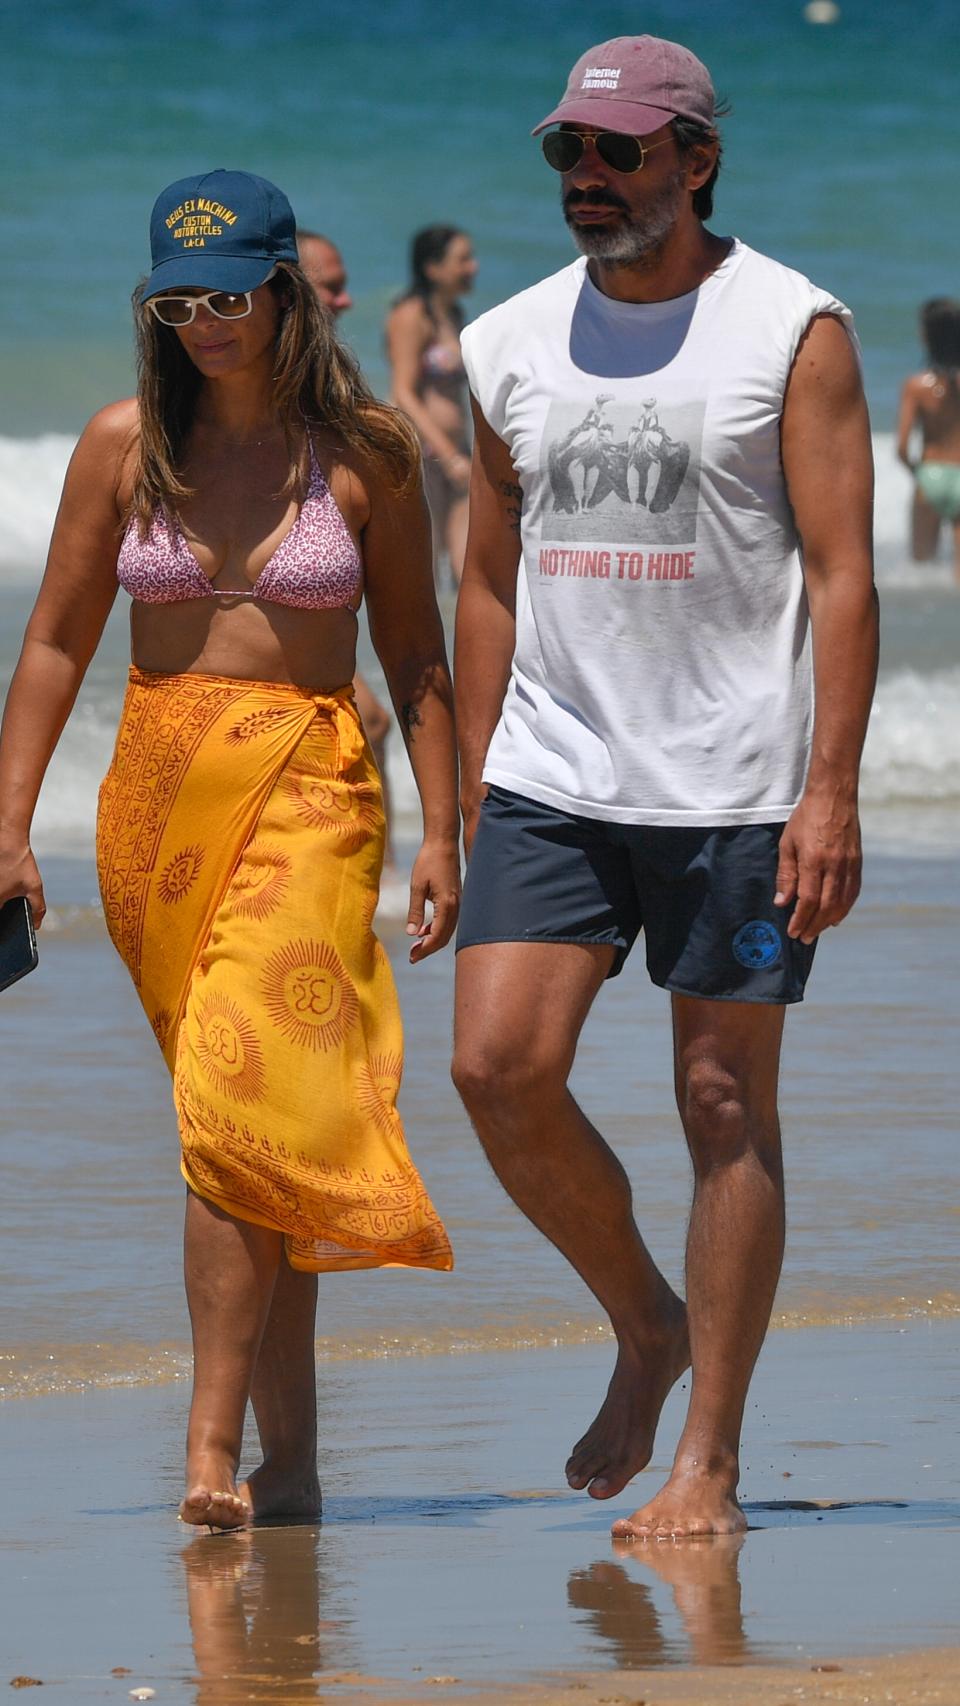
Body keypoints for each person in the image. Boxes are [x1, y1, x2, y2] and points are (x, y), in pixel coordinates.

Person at [452, 37, 877, 1539]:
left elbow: (840, 573)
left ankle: (710, 1457)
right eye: (568, 150)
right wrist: (466, 784)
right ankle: (645, 1319)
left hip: (739, 787)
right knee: (496, 1068)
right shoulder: (505, 341)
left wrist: (829, 791)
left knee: (720, 1099)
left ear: (696, 158)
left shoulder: (792, 327)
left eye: (620, 152)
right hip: (553, 774)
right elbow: (487, 579)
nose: (588, 178)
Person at [0, 169, 460, 1530]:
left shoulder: (368, 451)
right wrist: (9, 821)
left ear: (284, 290)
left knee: (234, 1101)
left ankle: (208, 1450)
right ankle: (297, 1459)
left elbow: (417, 648)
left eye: (232, 295)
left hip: (315, 788)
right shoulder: (121, 444)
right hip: (154, 804)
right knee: (260, 1127)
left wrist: (449, 827)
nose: (207, 322)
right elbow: (54, 642)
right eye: (178, 301)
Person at [296, 225, 398, 870]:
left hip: (318, 607)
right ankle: (371, 869)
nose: (346, 301)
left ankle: (375, 869)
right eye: (331, 288)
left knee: (375, 722)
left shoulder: (335, 394)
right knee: (372, 722)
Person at [385, 226, 478, 586]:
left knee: (468, 570)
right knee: (424, 571)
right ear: (433, 268)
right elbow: (403, 392)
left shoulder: (454, 314)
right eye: (463, 260)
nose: (473, 267)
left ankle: (466, 642)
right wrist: (449, 455)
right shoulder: (410, 316)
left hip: (458, 453)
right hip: (423, 455)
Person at [897, 297, 960, 582]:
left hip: (930, 476)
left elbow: (902, 446)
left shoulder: (916, 385)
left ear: (927, 335)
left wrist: (918, 472)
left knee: (920, 571)